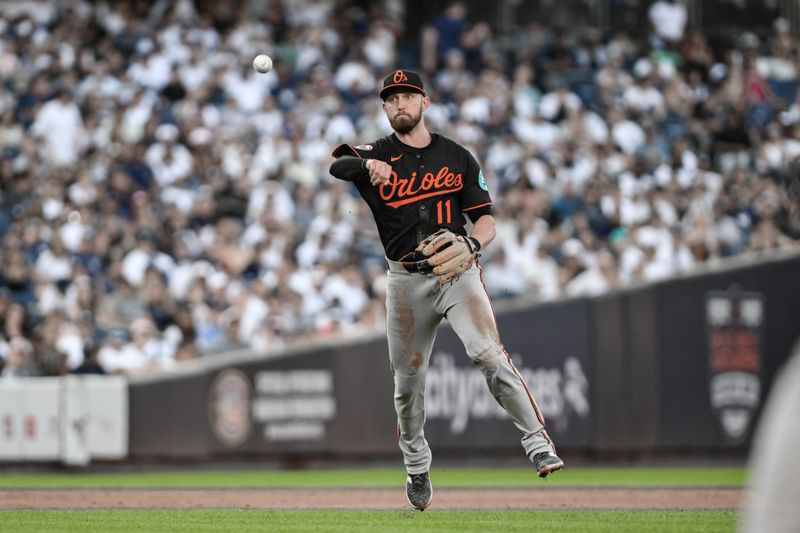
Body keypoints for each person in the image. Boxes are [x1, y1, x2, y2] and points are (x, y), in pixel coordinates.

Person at [329, 69, 563, 511]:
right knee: (407, 384)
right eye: (392, 98)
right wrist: (366, 165)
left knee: (488, 353)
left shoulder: (456, 156)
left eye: (408, 96)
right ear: (384, 107)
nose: (400, 103)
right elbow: (337, 164)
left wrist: (474, 243)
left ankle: (538, 443)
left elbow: (488, 220)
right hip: (404, 280)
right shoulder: (377, 152)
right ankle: (417, 466)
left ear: (425, 103)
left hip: (456, 273)